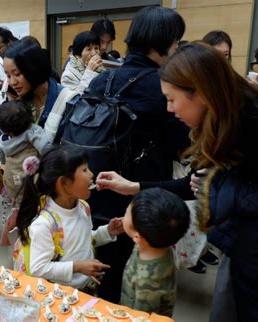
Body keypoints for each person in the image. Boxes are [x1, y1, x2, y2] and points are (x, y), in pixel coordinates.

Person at [98, 42, 258, 322]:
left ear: (202, 94)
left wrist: (227, 187)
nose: (169, 109)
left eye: (172, 99)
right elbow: (194, 183)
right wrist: (132, 186)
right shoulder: (221, 126)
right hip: (243, 248)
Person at [86, 6, 187, 303]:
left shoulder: (99, 80)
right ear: (161, 43)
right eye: (176, 42)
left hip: (96, 188)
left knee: (103, 274)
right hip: (141, 199)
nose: (177, 48)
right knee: (139, 281)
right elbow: (178, 145)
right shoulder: (162, 86)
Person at [13, 145, 124, 290]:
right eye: (84, 170)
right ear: (64, 183)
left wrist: (107, 232)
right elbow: (39, 268)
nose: (91, 174)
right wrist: (78, 267)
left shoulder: (83, 207)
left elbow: (83, 240)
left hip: (85, 287)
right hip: (62, 295)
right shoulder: (45, 224)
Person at [120, 188, 190, 316]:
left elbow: (141, 318)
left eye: (125, 214)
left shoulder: (147, 285)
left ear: (137, 236)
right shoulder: (158, 242)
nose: (123, 217)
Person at [3, 41, 78, 143]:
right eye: (8, 76)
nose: (12, 82)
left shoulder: (68, 101)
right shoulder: (17, 101)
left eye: (17, 74)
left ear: (33, 69)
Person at [0, 100, 50, 205]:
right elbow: (46, 149)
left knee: (19, 202)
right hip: (30, 181)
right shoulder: (32, 133)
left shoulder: (2, 142)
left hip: (12, 182)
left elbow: (1, 158)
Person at [0, 27, 18, 103]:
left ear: (9, 43)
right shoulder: (1, 60)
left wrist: (7, 87)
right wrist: (3, 86)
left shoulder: (19, 59)